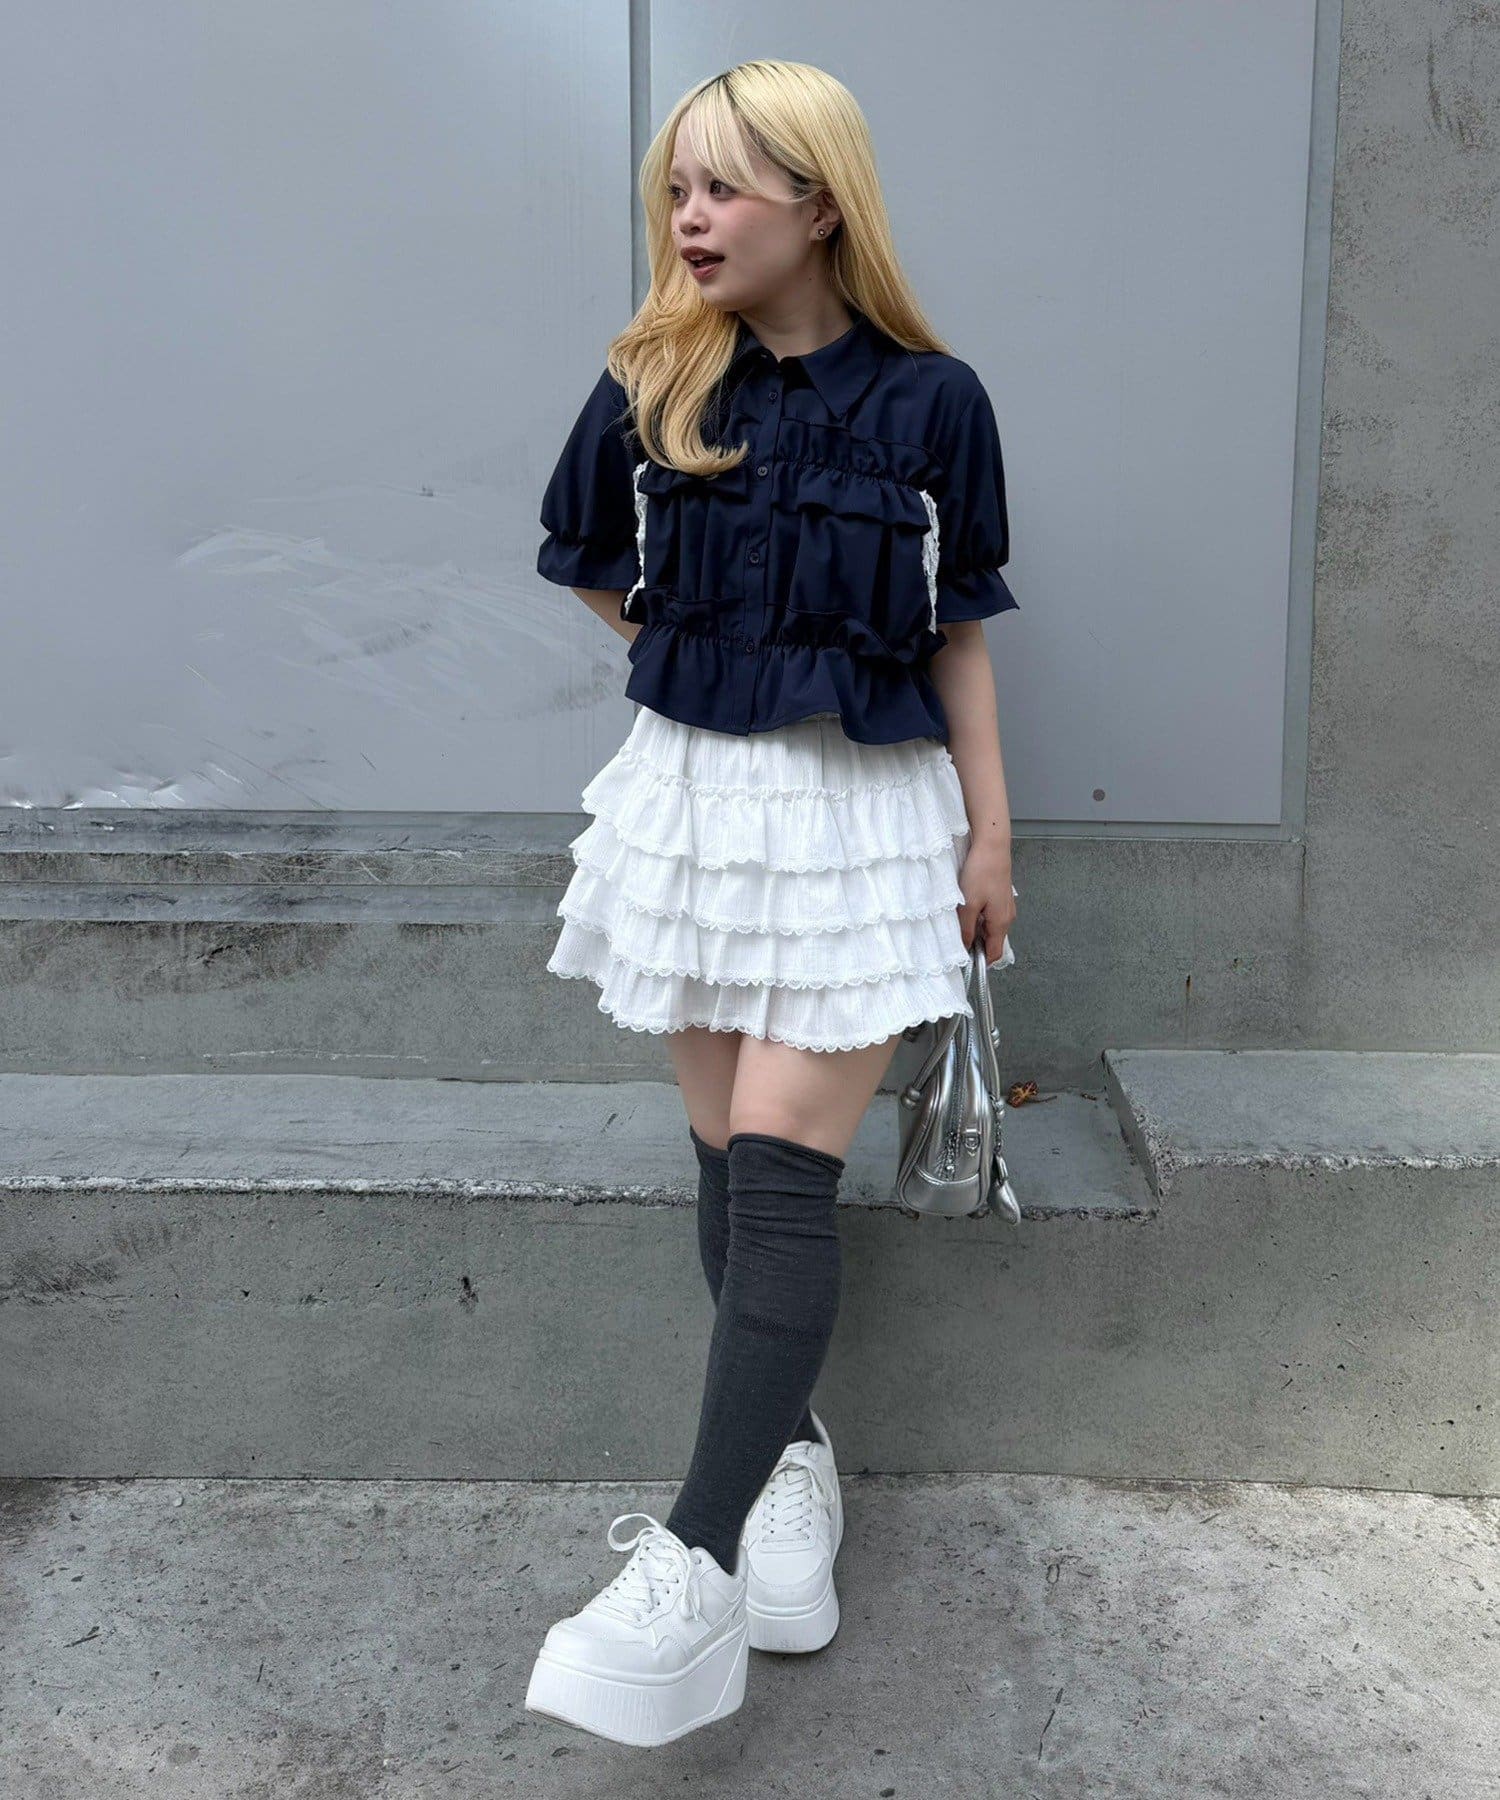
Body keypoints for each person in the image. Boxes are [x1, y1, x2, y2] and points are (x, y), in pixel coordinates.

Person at [524, 58, 1020, 1746]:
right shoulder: (651, 379)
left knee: (786, 1174)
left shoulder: (936, 401)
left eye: (726, 186)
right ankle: (792, 1458)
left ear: (820, 202)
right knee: (728, 1166)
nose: (690, 217)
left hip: (862, 812)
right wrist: (722, 654)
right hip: (695, 801)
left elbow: (959, 630)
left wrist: (991, 837)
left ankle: (693, 1559)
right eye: (677, 188)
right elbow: (594, 565)